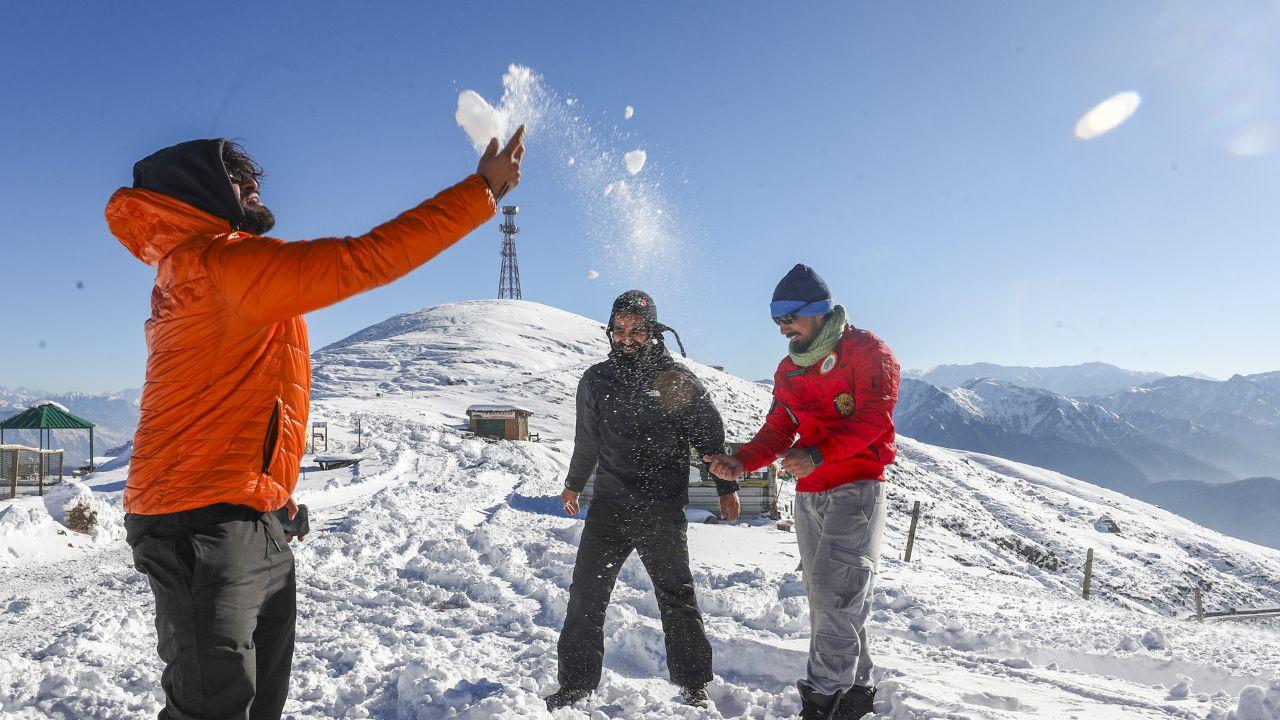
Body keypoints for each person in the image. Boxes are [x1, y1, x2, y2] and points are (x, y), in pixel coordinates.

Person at [106, 128, 524, 720]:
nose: (253, 185)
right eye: (236, 178)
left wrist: (275, 497)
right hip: (199, 527)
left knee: (258, 703)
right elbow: (365, 258)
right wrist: (481, 191)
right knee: (214, 707)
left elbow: (237, 401)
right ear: (197, 191)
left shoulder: (201, 269)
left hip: (245, 518)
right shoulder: (224, 264)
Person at [704, 264, 899, 720]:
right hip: (810, 494)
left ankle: (821, 700)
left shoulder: (868, 352)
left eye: (788, 317)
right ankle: (857, 690)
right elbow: (780, 426)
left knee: (836, 596)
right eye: (777, 321)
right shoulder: (789, 369)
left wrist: (818, 453)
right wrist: (743, 461)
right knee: (831, 597)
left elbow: (874, 419)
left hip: (857, 488)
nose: (782, 328)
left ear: (818, 311)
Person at [545, 290, 741, 711]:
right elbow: (588, 441)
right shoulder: (597, 380)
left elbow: (707, 437)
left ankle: (693, 682)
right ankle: (575, 683)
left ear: (652, 331)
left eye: (636, 330)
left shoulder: (672, 380)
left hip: (660, 510)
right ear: (610, 331)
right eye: (619, 329)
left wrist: (726, 488)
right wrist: (573, 485)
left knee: (676, 595)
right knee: (585, 595)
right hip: (609, 509)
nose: (626, 337)